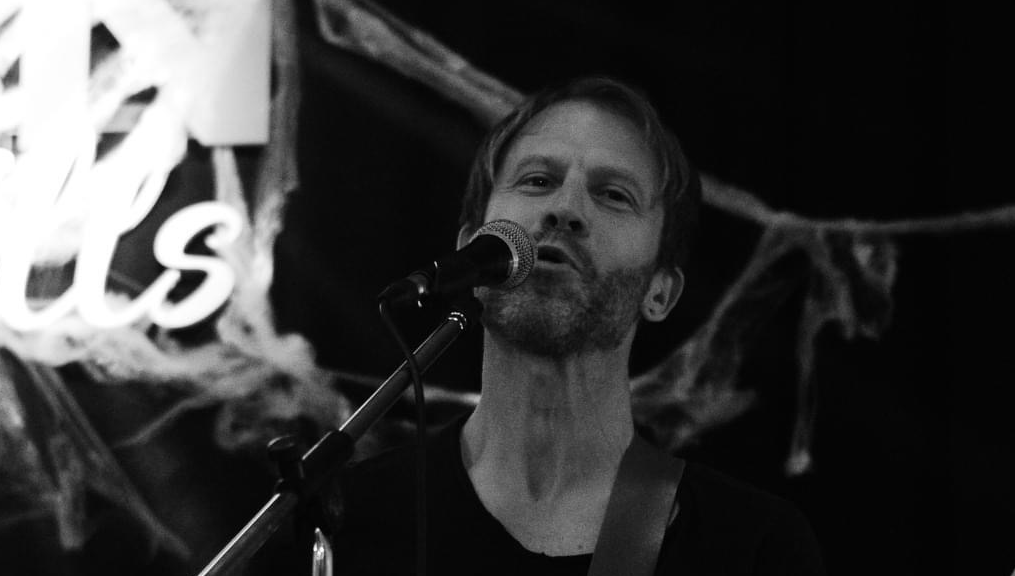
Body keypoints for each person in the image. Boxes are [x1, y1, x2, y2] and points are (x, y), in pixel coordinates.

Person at [321, 76, 825, 575]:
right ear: (470, 246)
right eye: (538, 181)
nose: (565, 209)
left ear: (660, 291)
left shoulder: (753, 550)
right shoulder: (342, 526)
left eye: (613, 195)